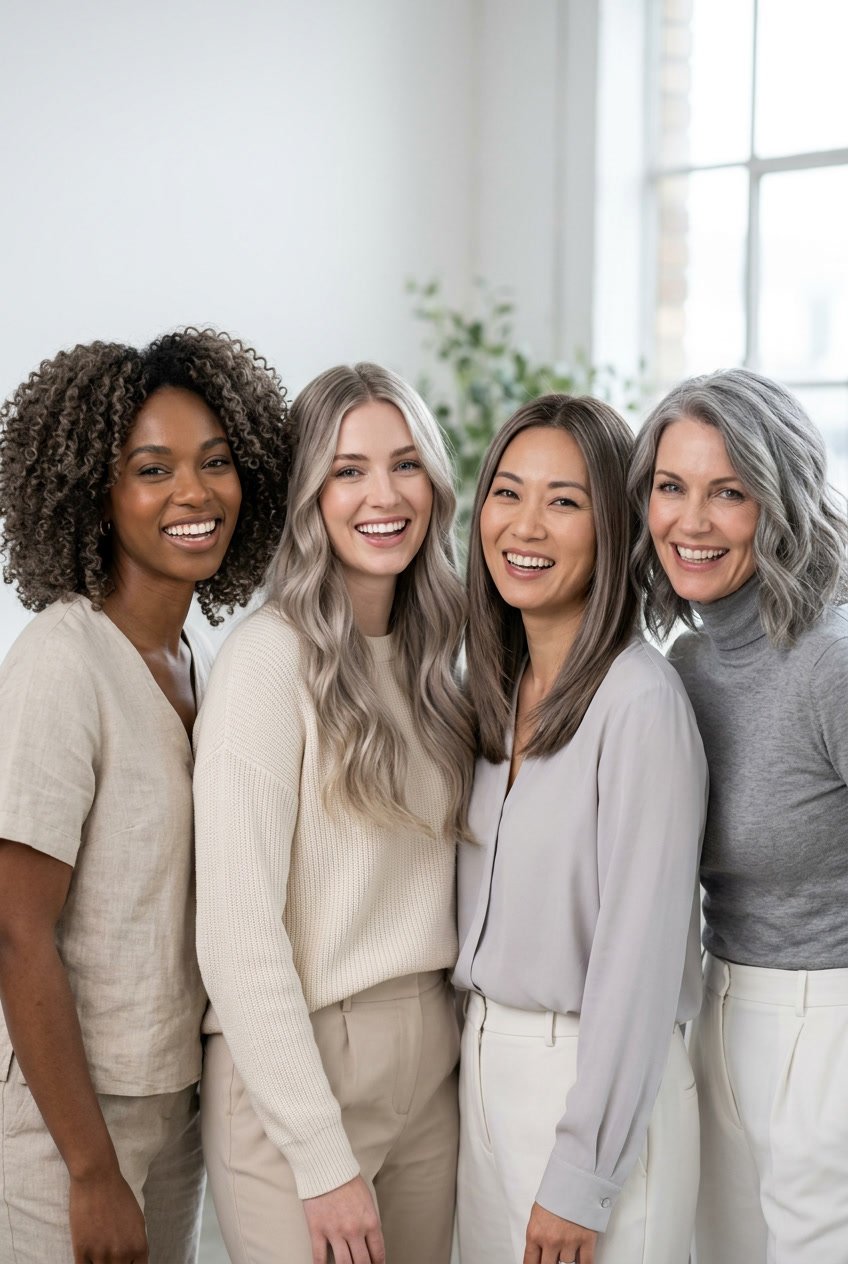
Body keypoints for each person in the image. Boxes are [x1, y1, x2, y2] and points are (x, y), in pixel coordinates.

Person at [0, 329, 291, 1264]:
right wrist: (90, 1172)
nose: (194, 494)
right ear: (97, 492)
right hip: (68, 1127)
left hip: (177, 1104)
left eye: (214, 462)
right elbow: (15, 930)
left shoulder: (196, 660)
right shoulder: (62, 660)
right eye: (151, 469)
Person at [193, 361, 474, 1264]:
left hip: (430, 1059)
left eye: (404, 465)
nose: (383, 495)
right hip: (299, 1066)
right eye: (348, 470)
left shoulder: (442, 666)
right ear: (308, 494)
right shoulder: (267, 664)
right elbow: (238, 934)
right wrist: (320, 1158)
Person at [454, 394, 707, 1264]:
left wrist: (582, 1176)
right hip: (483, 1083)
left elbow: (638, 967)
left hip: (591, 1094)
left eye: (565, 500)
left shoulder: (641, 704)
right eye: (507, 492)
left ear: (615, 528)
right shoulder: (487, 693)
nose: (525, 525)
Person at [629, 367, 848, 1264]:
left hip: (828, 1024)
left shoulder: (831, 664)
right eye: (671, 488)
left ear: (783, 501)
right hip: (721, 1008)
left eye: (731, 493)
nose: (692, 521)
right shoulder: (685, 665)